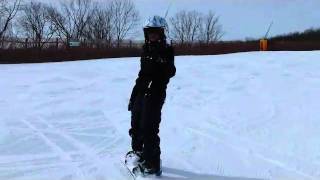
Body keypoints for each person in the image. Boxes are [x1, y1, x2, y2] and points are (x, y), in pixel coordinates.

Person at [126, 15, 176, 176]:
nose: (152, 36)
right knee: (136, 122)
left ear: (162, 33)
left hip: (155, 93)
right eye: (149, 33)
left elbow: (171, 72)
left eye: (155, 33)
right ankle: (138, 152)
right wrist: (134, 96)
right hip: (142, 92)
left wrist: (161, 59)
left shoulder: (167, 50)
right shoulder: (146, 50)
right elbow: (142, 74)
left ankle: (152, 162)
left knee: (149, 127)